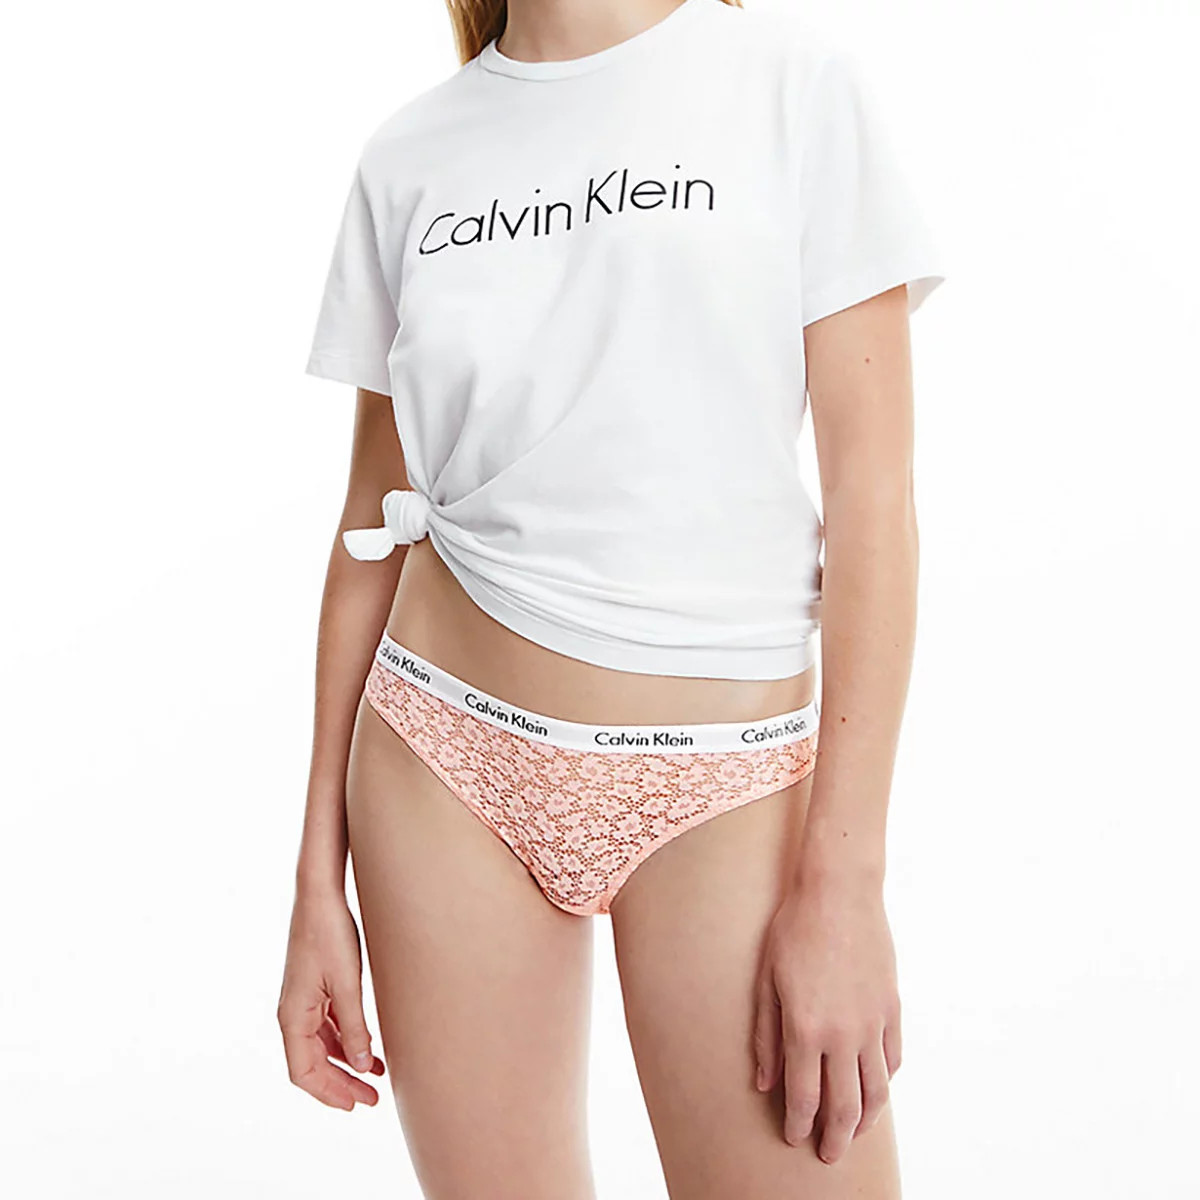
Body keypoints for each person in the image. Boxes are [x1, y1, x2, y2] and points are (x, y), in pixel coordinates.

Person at [277, 0, 945, 1195]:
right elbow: (370, 525)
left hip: (727, 784)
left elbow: (876, 509)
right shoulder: (409, 155)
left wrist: (846, 887)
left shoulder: (792, 85)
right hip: (443, 761)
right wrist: (315, 882)